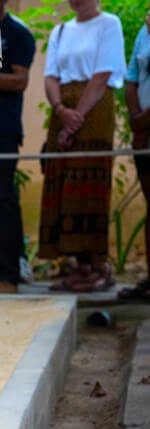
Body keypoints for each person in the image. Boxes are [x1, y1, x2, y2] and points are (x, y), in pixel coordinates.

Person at [39, 0, 125, 292]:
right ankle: (79, 265)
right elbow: (50, 76)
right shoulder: (61, 31)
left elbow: (102, 75)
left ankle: (99, 265)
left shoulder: (109, 24)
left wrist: (77, 118)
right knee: (61, 184)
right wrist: (62, 110)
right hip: (63, 107)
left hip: (95, 107)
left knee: (88, 183)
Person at [0, 0, 35, 294]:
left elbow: (20, 80)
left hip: (2, 130)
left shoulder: (18, 33)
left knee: (3, 198)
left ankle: (8, 273)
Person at [121, 8, 150, 302]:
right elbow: (132, 79)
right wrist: (136, 119)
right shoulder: (145, 29)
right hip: (143, 134)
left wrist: (143, 120)